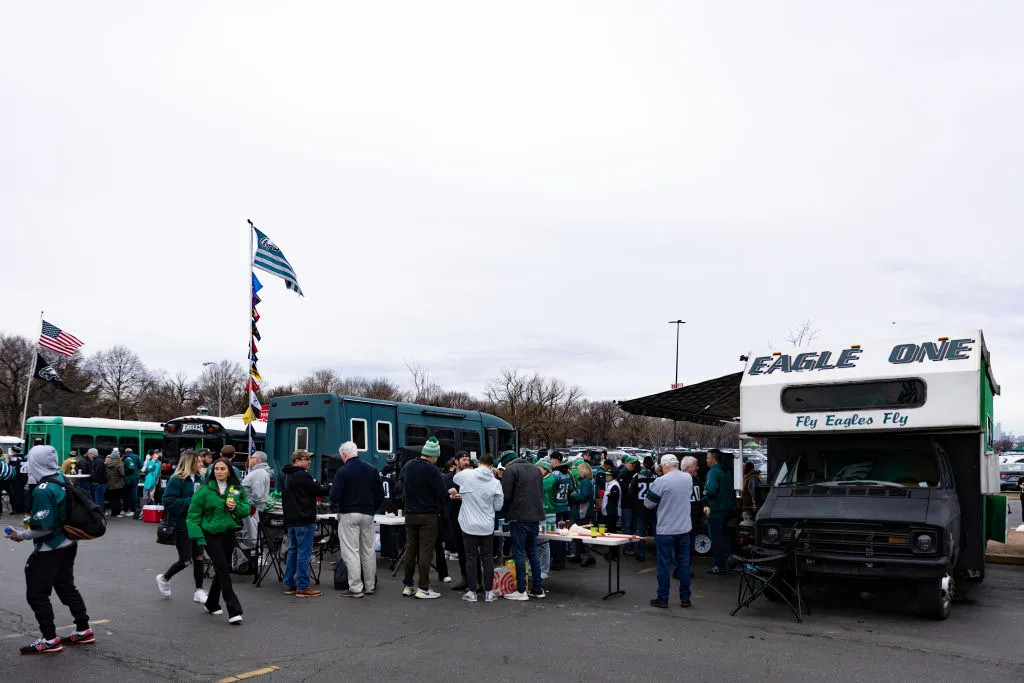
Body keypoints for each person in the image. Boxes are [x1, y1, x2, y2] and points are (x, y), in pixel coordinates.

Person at [5, 445, 94, 653]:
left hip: (50, 547)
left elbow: (43, 528)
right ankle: (84, 629)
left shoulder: (43, 489)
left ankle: (49, 639)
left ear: (36, 463)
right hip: (69, 542)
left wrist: (20, 535)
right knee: (66, 586)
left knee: (37, 594)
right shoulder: (62, 479)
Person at [186, 457, 250, 623]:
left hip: (228, 533)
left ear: (229, 471)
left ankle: (212, 603)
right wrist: (199, 539)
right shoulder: (204, 490)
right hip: (210, 535)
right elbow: (192, 517)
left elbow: (246, 509)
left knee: (224, 569)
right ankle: (234, 609)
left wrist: (236, 508)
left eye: (222, 469)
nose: (219, 472)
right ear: (212, 471)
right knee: (222, 569)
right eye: (216, 469)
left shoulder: (235, 489)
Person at [330, 441, 384, 598]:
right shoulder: (372, 469)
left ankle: (355, 587)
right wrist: (372, 509)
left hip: (349, 513)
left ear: (344, 455)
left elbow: (334, 497)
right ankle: (370, 585)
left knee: (351, 551)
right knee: (368, 550)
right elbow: (380, 494)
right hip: (368, 513)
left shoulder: (342, 471)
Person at [399, 437, 449, 599]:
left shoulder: (408, 466)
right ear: (433, 456)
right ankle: (423, 587)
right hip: (428, 515)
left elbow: (400, 486)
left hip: (410, 514)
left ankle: (408, 585)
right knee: (425, 552)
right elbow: (442, 492)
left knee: (410, 549)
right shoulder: (432, 470)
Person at [156, 451, 207, 603]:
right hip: (181, 525)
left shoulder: (199, 478)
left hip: (197, 524)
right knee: (185, 561)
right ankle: (164, 579)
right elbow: (169, 502)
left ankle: (199, 590)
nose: (201, 464)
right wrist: (191, 501)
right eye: (198, 462)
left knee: (199, 557)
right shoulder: (176, 480)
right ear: (190, 463)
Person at [645, 454, 695, 609]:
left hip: (666, 529)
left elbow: (648, 504)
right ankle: (685, 598)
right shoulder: (688, 478)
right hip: (684, 528)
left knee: (664, 565)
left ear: (664, 465)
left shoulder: (661, 481)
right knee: (684, 565)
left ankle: (663, 598)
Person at [453, 452, 503, 602]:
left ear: (479, 462)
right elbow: (498, 506)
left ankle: (472, 592)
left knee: (471, 558)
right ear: (491, 466)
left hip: (468, 524)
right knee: (487, 559)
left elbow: (455, 478)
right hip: (487, 525)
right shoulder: (495, 483)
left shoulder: (467, 475)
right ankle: (489, 592)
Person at [281, 450, 330, 598]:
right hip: (303, 518)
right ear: (297, 460)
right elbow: (318, 491)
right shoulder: (302, 475)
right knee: (304, 553)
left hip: (291, 519)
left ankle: (289, 584)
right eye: (306, 459)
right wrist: (329, 486)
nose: (309, 462)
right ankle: (302, 586)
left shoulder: (286, 474)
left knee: (293, 551)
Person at [500, 450, 545, 601]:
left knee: (519, 553)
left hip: (518, 517)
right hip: (535, 517)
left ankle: (521, 590)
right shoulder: (535, 469)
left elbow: (506, 495)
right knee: (533, 552)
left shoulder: (511, 470)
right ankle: (538, 588)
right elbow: (540, 492)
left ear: (507, 462)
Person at [443, 451, 472, 591]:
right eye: (464, 459)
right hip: (454, 517)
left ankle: (473, 581)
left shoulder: (472, 477)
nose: (467, 462)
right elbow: (440, 495)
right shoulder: (447, 478)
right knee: (460, 550)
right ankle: (464, 579)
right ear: (456, 461)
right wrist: (448, 494)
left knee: (470, 551)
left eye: (468, 460)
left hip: (470, 517)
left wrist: (464, 497)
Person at [703, 449, 734, 575]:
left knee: (716, 539)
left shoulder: (713, 472)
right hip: (727, 509)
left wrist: (703, 492)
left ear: (713, 458)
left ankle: (720, 566)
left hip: (716, 510)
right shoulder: (726, 472)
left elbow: (710, 490)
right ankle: (729, 560)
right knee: (724, 537)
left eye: (707, 457)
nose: (706, 460)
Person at [240, 451, 272, 549]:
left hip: (252, 509)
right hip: (250, 508)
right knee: (251, 536)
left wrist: (247, 504)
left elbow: (257, 494)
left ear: (258, 460)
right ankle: (253, 557)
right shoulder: (257, 472)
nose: (250, 459)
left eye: (252, 457)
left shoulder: (259, 472)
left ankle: (255, 558)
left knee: (252, 538)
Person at [568, 461, 597, 567]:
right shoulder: (588, 481)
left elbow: (584, 497)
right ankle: (580, 555)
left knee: (583, 535)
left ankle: (587, 556)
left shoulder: (585, 482)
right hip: (584, 511)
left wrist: (574, 495)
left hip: (582, 511)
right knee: (580, 535)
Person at [631, 456, 658, 562]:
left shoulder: (637, 476)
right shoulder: (656, 476)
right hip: (653, 507)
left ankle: (641, 553)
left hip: (641, 507)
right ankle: (659, 552)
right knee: (657, 531)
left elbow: (631, 492)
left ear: (644, 464)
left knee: (641, 532)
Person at [550, 453, 574, 571]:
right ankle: (562, 560)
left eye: (551, 460)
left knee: (555, 535)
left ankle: (556, 561)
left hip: (556, 507)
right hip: (565, 507)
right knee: (563, 534)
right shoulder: (568, 473)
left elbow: (550, 489)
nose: (550, 463)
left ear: (555, 460)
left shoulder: (555, 474)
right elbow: (570, 489)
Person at [618, 455, 639, 552]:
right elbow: (624, 488)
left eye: (634, 463)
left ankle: (630, 545)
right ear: (626, 463)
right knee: (626, 525)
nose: (633, 465)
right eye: (631, 463)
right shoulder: (623, 474)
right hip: (626, 504)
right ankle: (626, 546)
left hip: (633, 504)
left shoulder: (634, 473)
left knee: (632, 526)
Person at [538, 458, 555, 577]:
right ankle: (539, 567)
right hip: (542, 514)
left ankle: (544, 570)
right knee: (538, 542)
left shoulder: (549, 479)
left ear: (545, 469)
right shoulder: (544, 478)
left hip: (548, 515)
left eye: (539, 469)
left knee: (544, 544)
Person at [105, 449, 129, 518]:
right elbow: (122, 474)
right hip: (118, 483)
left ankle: (113, 513)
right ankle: (117, 513)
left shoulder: (107, 463)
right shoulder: (119, 463)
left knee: (112, 499)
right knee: (117, 499)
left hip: (110, 483)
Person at [85, 448, 107, 515]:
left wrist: (94, 480)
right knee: (99, 499)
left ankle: (100, 514)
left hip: (99, 483)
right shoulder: (98, 460)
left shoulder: (98, 461)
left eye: (90, 453)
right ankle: (100, 513)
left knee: (98, 499)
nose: (88, 455)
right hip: (100, 482)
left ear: (93, 454)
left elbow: (97, 472)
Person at [122, 447, 143, 518]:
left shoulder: (125, 457)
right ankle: (135, 508)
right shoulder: (137, 456)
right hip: (135, 477)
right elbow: (141, 466)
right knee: (134, 492)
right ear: (132, 451)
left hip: (127, 478)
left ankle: (126, 509)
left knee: (127, 494)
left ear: (125, 452)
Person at [601, 468, 622, 533]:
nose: (606, 476)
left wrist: (610, 494)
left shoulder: (614, 484)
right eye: (606, 475)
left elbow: (614, 495)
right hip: (609, 512)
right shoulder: (610, 484)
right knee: (609, 530)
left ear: (613, 476)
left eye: (608, 475)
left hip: (612, 512)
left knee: (612, 530)